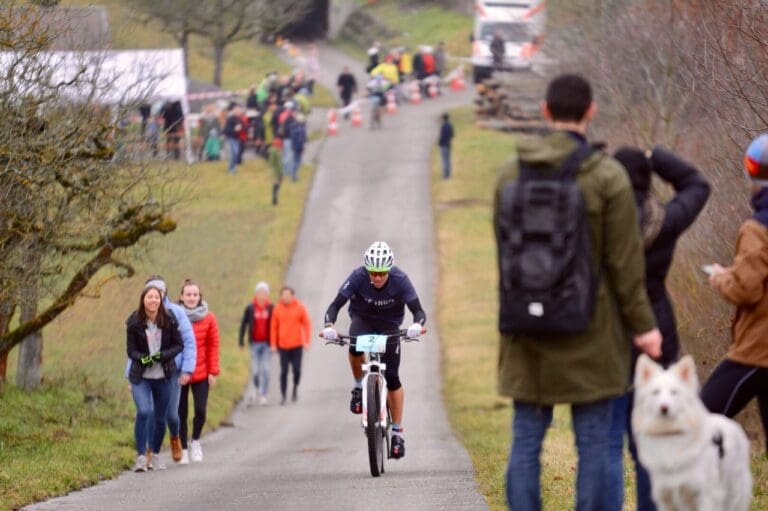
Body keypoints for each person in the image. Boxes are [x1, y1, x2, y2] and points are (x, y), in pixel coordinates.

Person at [493, 74, 662, 510]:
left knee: (526, 442)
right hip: (593, 332)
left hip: (526, 332)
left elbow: (506, 255)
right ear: (591, 110)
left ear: (545, 111)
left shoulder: (510, 174)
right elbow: (625, 265)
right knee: (599, 446)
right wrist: (645, 327)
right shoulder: (608, 177)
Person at [606, 146, 710, 510]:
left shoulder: (598, 220)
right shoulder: (663, 220)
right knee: (649, 442)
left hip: (607, 333)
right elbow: (697, 185)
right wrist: (657, 157)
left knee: (604, 440)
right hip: (654, 332)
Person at [322, 242, 427, 459]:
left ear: (388, 270)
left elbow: (418, 311)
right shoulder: (358, 276)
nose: (377, 278)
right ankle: (359, 386)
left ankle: (397, 433)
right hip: (363, 321)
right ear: (367, 270)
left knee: (393, 377)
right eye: (373, 273)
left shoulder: (400, 280)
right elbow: (334, 306)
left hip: (390, 325)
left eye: (381, 273)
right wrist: (329, 326)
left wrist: (416, 325)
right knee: (354, 343)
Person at [701, 133, 768, 453]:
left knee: (701, 421)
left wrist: (721, 278)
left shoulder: (757, 228)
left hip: (758, 348)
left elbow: (746, 291)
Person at [126, 275, 197, 465]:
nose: (155, 296)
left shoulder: (174, 313)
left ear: (163, 292)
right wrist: (129, 376)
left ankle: (174, 437)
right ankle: (147, 454)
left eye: (159, 291)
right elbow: (133, 350)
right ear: (145, 295)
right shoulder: (137, 318)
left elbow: (187, 342)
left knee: (170, 415)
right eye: (151, 291)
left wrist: (187, 370)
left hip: (171, 371)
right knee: (146, 412)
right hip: (144, 374)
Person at [177, 279, 220, 464]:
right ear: (181, 297)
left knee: (200, 411)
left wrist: (213, 371)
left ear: (200, 297)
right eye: (188, 294)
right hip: (180, 373)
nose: (192, 298)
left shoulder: (209, 317)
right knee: (181, 412)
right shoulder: (174, 316)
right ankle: (183, 449)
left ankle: (195, 441)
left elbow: (213, 345)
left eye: (195, 294)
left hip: (202, 372)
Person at [270, 286, 312, 405]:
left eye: (288, 295)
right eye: (283, 295)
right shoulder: (277, 308)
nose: (286, 297)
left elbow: (307, 325)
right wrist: (273, 344)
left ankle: (295, 387)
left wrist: (307, 342)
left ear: (292, 296)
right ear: (281, 296)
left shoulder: (299, 307)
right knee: (283, 371)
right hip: (282, 346)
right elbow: (273, 327)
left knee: (296, 370)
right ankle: (283, 395)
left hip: (297, 345)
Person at [239, 282, 274, 406]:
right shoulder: (250, 308)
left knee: (266, 370)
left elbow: (275, 326)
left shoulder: (271, 307)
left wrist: (276, 342)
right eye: (259, 292)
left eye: (264, 293)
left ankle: (263, 395)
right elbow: (244, 324)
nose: (262, 295)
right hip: (254, 344)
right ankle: (254, 390)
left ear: (267, 294)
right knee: (255, 371)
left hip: (267, 344)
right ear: (256, 294)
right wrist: (241, 341)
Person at [222, 104, 244, 174]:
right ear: (234, 111)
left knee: (236, 153)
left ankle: (233, 168)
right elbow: (225, 130)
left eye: (239, 110)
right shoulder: (230, 119)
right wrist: (234, 129)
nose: (238, 112)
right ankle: (231, 169)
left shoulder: (239, 119)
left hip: (237, 138)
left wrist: (241, 127)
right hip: (231, 138)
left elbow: (244, 127)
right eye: (237, 110)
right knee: (234, 153)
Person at [289, 113, 307, 182]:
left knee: (295, 160)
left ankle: (293, 175)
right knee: (297, 162)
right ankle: (294, 175)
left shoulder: (294, 127)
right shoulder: (301, 129)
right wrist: (302, 148)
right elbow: (301, 140)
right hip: (298, 147)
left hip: (294, 146)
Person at [438, 113, 454, 179]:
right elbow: (452, 134)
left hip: (443, 144)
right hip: (448, 144)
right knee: (448, 160)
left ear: (443, 118)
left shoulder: (443, 126)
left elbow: (442, 136)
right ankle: (449, 174)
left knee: (444, 160)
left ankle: (445, 175)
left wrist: (440, 142)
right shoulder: (450, 125)